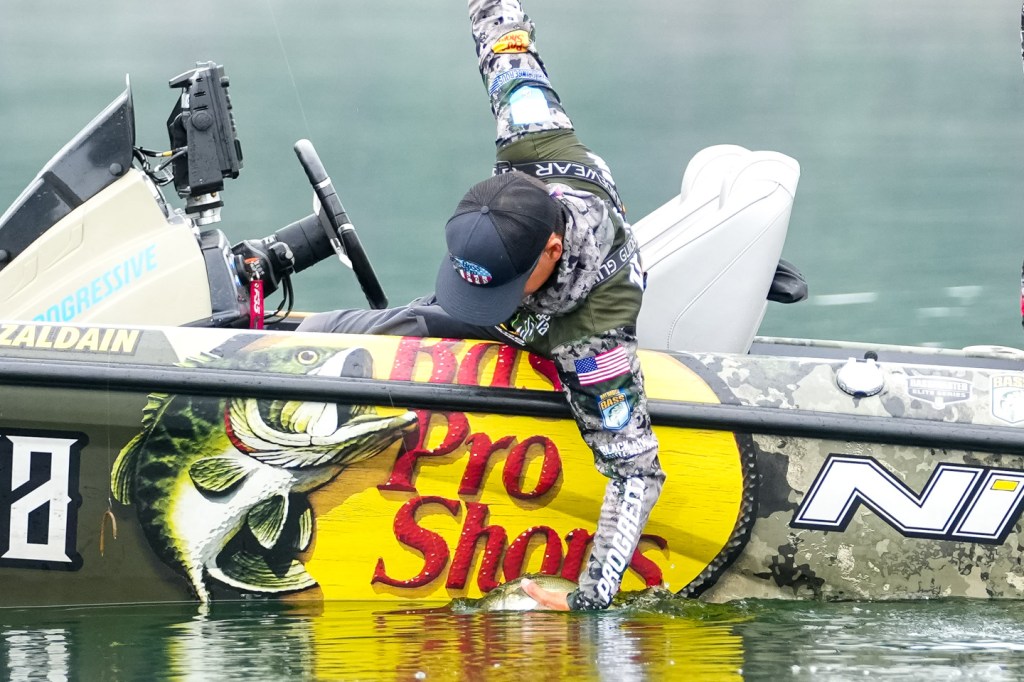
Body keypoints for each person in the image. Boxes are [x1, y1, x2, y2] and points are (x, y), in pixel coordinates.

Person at [299, 0, 665, 611]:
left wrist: (590, 599)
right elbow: (505, 41)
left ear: (551, 252)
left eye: (495, 290)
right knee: (353, 327)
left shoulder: (595, 340)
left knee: (409, 327)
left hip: (546, 335)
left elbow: (637, 473)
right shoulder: (534, 136)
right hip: (514, 303)